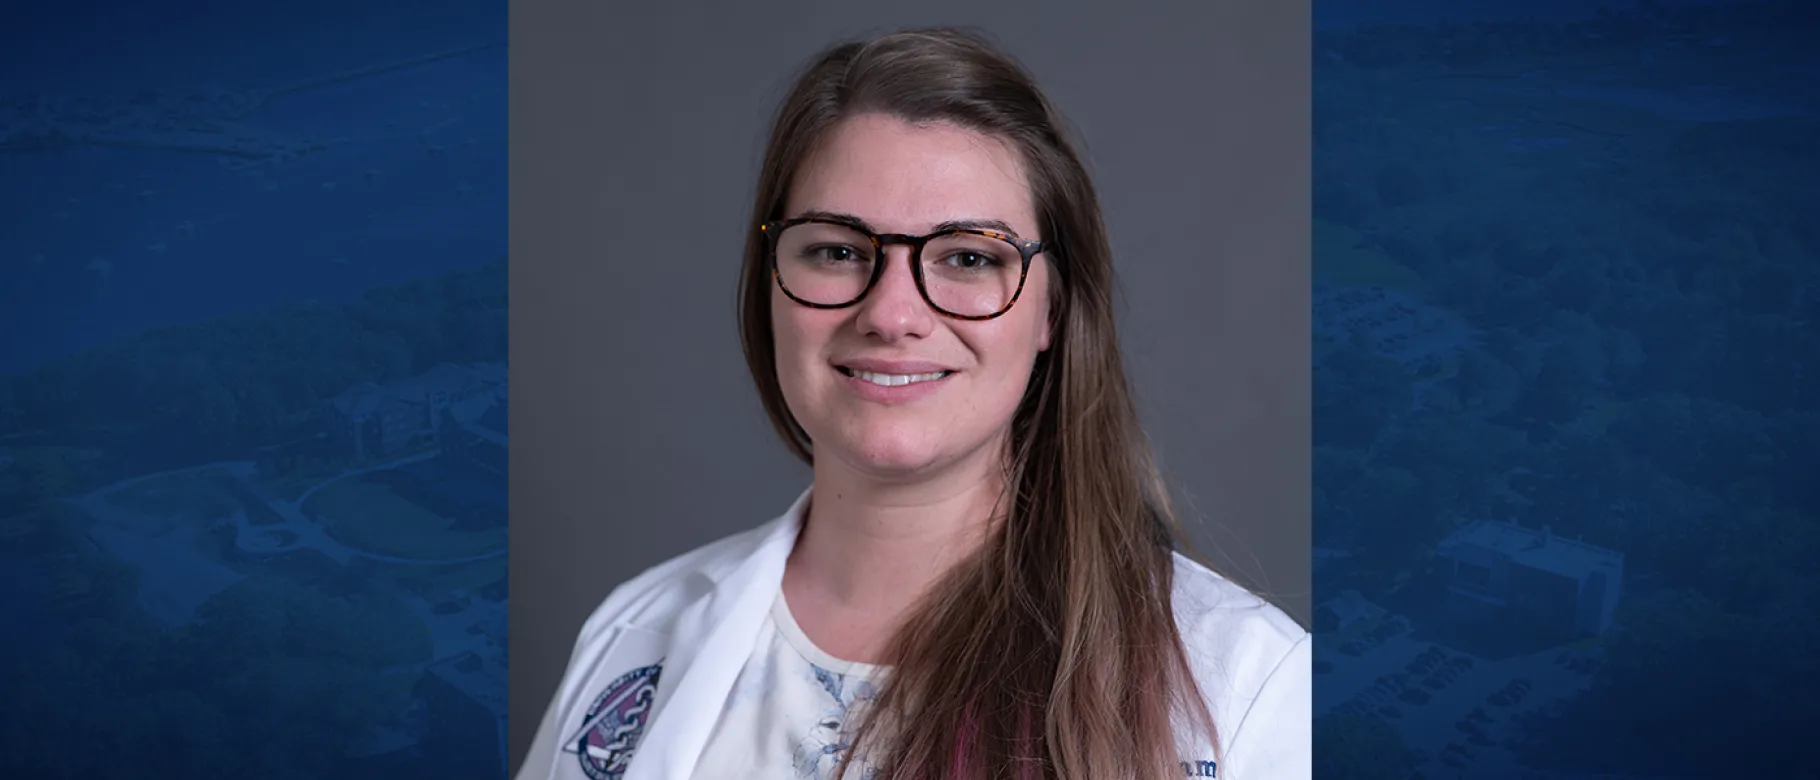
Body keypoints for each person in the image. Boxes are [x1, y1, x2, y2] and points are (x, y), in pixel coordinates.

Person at [517, 26, 1310, 780]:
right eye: (836, 250)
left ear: (1054, 313)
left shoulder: (1244, 683)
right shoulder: (635, 631)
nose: (892, 314)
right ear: (768, 283)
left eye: (968, 257)